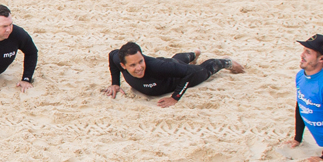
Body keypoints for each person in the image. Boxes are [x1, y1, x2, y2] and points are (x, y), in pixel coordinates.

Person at [104, 42, 244, 106]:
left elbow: (189, 73)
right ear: (123, 65)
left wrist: (175, 97)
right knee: (175, 62)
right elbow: (111, 55)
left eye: (141, 61)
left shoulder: (157, 67)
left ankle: (226, 62)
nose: (139, 67)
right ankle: (192, 54)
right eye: (133, 65)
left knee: (202, 70)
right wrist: (115, 83)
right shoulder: (118, 59)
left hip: (175, 79)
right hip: (169, 65)